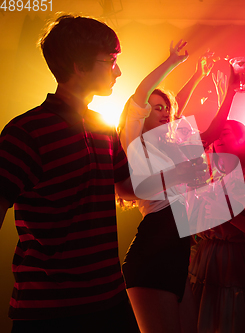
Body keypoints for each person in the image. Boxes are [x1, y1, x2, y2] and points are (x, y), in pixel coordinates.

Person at [0, 14, 141, 333]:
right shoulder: (26, 133)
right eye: (111, 60)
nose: (117, 70)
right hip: (50, 310)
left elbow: (129, 189)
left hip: (109, 299)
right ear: (78, 66)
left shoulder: (103, 127)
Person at [117, 41, 245, 333]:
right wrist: (172, 62)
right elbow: (139, 98)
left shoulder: (172, 147)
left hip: (177, 252)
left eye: (167, 108)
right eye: (157, 108)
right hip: (153, 250)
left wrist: (228, 90)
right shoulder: (136, 145)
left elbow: (212, 129)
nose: (165, 113)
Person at [188, 120, 245, 333]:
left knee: (233, 319)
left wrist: (226, 215)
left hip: (237, 257)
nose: (218, 139)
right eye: (216, 135)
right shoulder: (209, 176)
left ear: (241, 139)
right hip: (206, 256)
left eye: (224, 133)